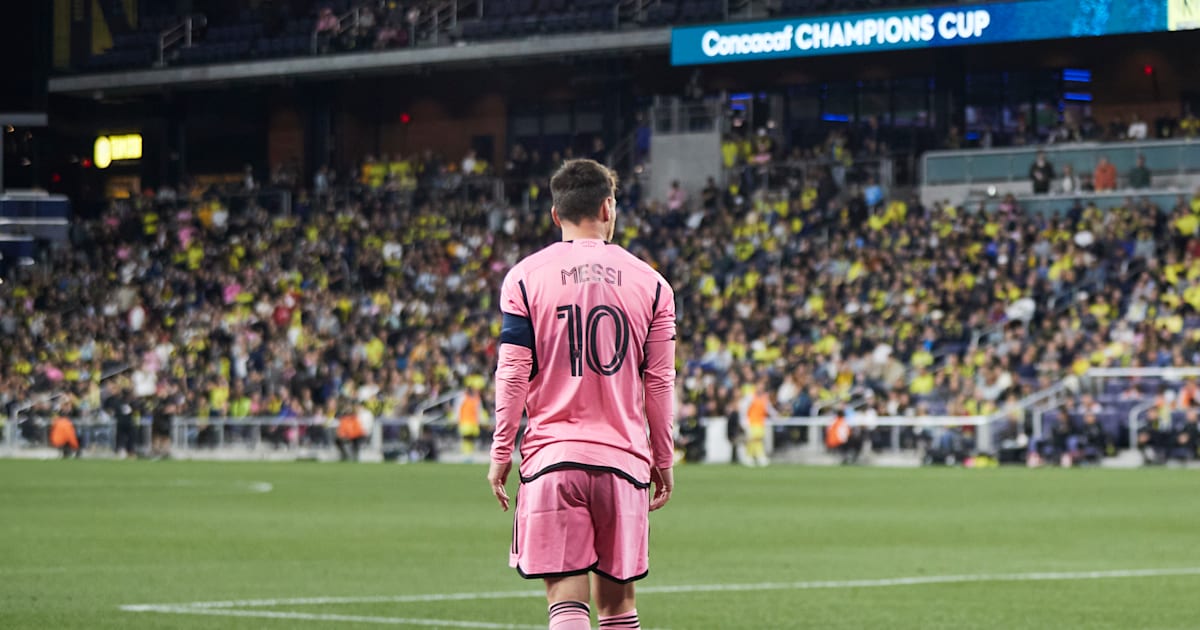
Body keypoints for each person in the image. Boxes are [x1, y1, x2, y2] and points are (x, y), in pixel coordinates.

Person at [488, 158, 676, 630]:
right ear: (609, 207)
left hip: (554, 459)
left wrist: (501, 452)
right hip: (624, 461)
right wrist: (664, 458)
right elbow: (659, 381)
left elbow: (513, 371)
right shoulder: (653, 284)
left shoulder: (524, 278)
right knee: (618, 608)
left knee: (567, 606)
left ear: (556, 215)